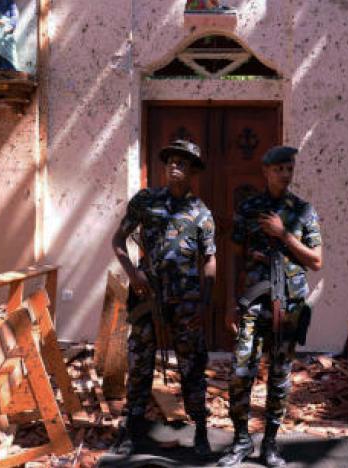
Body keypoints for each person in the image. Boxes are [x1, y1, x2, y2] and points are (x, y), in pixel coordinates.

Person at [218, 146, 322, 467]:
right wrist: (229, 303)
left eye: (289, 168)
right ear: (265, 171)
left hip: (288, 306)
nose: (285, 174)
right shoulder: (248, 208)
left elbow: (316, 260)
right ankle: (240, 441)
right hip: (252, 302)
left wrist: (284, 234)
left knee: (280, 375)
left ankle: (271, 444)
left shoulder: (303, 211)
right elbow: (233, 256)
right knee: (240, 372)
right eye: (279, 168)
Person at [111, 140, 216, 457]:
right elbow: (118, 241)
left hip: (185, 300)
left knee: (192, 364)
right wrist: (133, 274)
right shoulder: (145, 201)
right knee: (140, 362)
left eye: (183, 162)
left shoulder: (200, 213)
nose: (175, 165)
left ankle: (200, 430)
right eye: (171, 160)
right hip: (146, 295)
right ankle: (132, 427)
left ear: (193, 171)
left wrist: (205, 302)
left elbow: (209, 258)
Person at [0, 0, 19, 71]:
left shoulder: (10, 1)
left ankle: (11, 69)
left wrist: (12, 25)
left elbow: (14, 14)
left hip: (7, 27)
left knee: (9, 50)